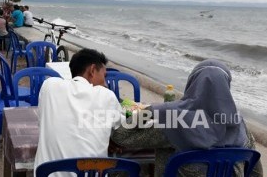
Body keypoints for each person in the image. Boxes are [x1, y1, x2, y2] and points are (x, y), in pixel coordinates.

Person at [111, 59, 263, 176]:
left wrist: (150, 110)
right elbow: (256, 173)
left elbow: (121, 135)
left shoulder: (174, 122)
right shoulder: (241, 128)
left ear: (192, 85)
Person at [34, 48, 124, 173]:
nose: (105, 83)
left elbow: (45, 121)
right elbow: (124, 130)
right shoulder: (106, 95)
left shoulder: (49, 86)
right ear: (92, 70)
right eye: (104, 76)